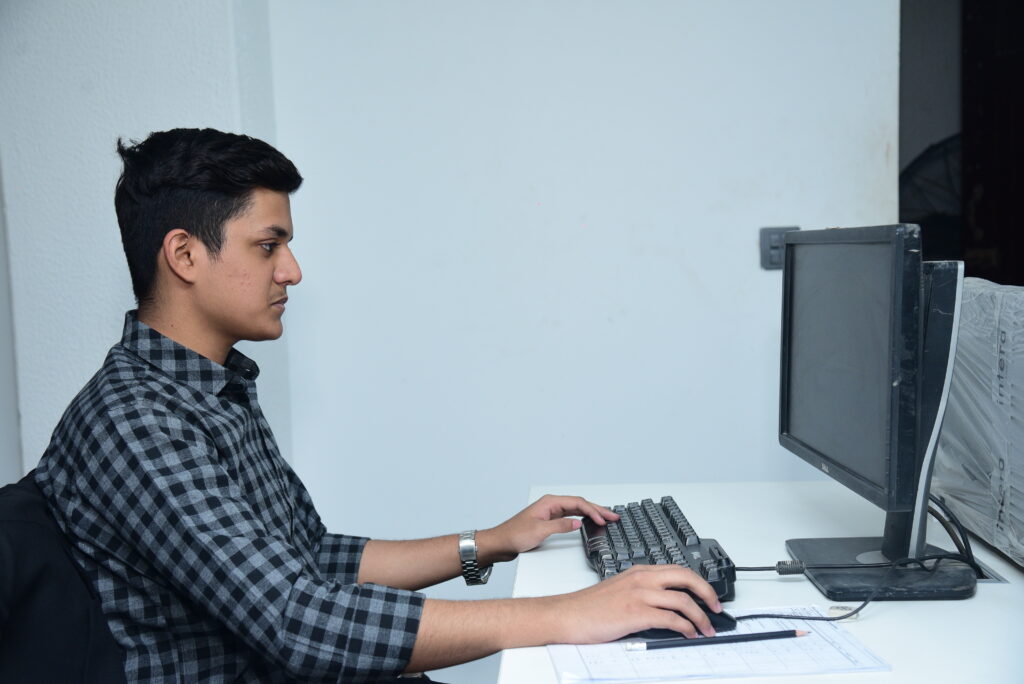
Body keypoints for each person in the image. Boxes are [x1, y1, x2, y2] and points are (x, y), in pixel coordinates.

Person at [34, 128, 723, 683]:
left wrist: (489, 543)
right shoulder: (134, 421)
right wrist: (570, 613)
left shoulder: (215, 390)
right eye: (269, 245)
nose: (292, 271)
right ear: (184, 255)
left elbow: (311, 558)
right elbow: (296, 622)